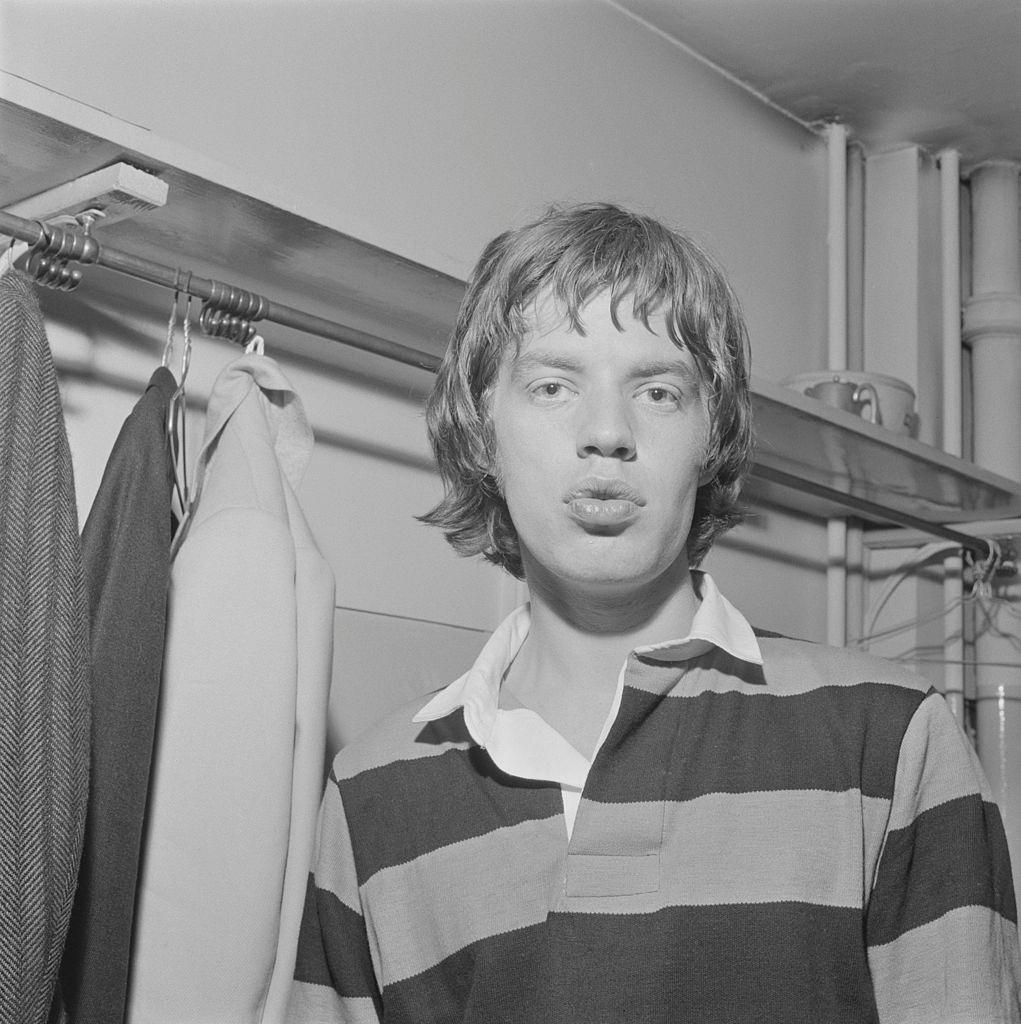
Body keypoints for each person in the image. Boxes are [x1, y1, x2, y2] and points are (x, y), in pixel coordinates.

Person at [288, 202, 1020, 1023]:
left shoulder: (889, 741)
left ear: (713, 433)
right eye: (552, 385)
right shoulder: (369, 792)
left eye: (659, 391)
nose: (606, 432)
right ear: (482, 429)